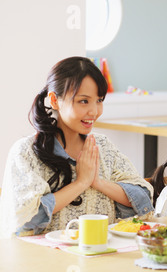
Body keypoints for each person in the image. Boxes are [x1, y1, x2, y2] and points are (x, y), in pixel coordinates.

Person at [0, 57, 153, 238]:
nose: (94, 111)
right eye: (83, 101)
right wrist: (81, 183)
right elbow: (27, 218)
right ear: (54, 101)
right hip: (44, 261)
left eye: (99, 100)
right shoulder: (25, 152)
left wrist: (98, 182)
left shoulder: (102, 146)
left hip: (101, 255)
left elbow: (142, 198)